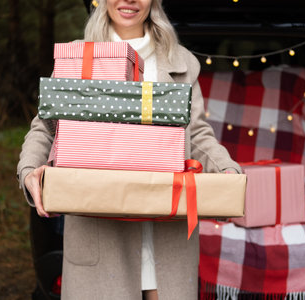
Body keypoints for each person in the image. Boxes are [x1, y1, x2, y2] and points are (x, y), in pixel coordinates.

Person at [17, 0, 241, 299]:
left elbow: (197, 133)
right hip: (101, 240)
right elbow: (47, 125)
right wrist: (29, 170)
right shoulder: (78, 56)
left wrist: (226, 170)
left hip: (166, 240)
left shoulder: (181, 61)